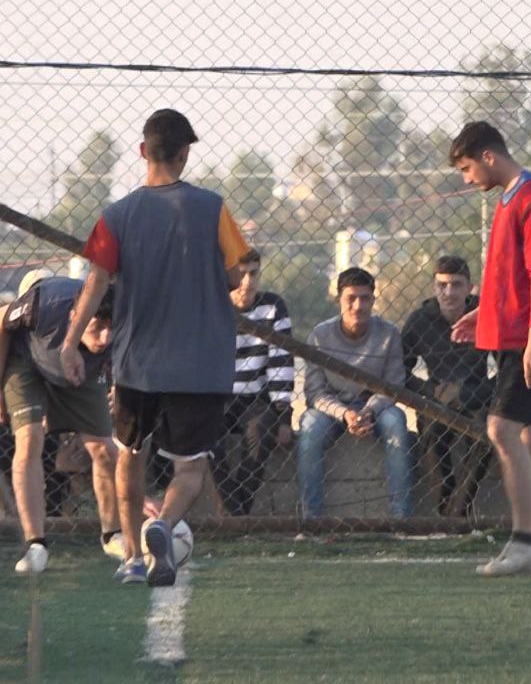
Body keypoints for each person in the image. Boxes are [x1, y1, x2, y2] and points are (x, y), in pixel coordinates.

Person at [60, 108, 250, 587]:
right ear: (184, 153)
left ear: (143, 151)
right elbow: (235, 276)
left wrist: (70, 342)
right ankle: (162, 524)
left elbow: (95, 283)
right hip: (200, 365)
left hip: (137, 365)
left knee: (129, 455)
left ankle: (130, 556)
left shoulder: (115, 216)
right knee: (190, 468)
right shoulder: (213, 208)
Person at [449, 121, 531, 577]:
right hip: (516, 337)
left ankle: (524, 541)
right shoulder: (509, 199)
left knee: (501, 428)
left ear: (488, 157)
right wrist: (483, 313)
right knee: (526, 437)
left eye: (467, 168)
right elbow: (511, 278)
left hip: (530, 341)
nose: (467, 179)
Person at [0, 271, 123, 574]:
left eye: (111, 329)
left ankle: (113, 535)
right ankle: (36, 544)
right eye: (97, 327)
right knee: (30, 439)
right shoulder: (42, 305)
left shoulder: (123, 320)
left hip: (83, 370)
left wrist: (118, 387)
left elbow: (128, 356)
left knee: (104, 450)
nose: (105, 338)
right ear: (75, 317)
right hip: (27, 363)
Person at [297, 267, 415, 519]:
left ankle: (401, 518)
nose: (358, 306)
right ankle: (312, 519)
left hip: (376, 406)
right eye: (350, 298)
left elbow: (394, 384)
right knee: (309, 428)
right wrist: (344, 413)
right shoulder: (320, 335)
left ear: (373, 300)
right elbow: (314, 392)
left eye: (365, 298)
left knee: (397, 423)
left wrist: (369, 410)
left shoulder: (389, 333)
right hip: (332, 407)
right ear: (339, 299)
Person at [401, 255, 493, 517]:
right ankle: (446, 510)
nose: (449, 292)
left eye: (456, 284)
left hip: (476, 395)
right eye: (442, 285)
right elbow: (399, 369)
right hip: (437, 395)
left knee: (485, 435)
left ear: (470, 288)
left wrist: (481, 390)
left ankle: (459, 510)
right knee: (431, 434)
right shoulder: (420, 320)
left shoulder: (486, 315)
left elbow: (508, 366)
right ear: (434, 287)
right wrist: (428, 390)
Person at [210, 248, 295, 516]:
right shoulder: (211, 305)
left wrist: (283, 414)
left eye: (254, 273)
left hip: (255, 398)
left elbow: (281, 362)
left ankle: (236, 513)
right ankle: (237, 513)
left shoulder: (273, 306)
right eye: (241, 274)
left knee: (262, 431)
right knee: (204, 436)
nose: (247, 282)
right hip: (215, 396)